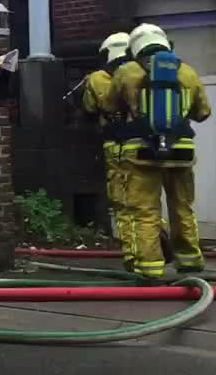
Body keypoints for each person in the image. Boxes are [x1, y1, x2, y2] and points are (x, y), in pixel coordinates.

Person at [108, 22, 211, 279]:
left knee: (145, 210)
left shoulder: (127, 71)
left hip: (142, 152)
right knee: (183, 206)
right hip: (182, 152)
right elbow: (203, 113)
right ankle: (190, 260)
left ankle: (150, 267)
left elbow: (110, 106)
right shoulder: (188, 72)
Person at [82, 32, 134, 271]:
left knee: (122, 202)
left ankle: (132, 253)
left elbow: (90, 108)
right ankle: (156, 244)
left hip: (116, 146)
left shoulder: (97, 78)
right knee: (147, 202)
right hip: (145, 144)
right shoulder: (142, 73)